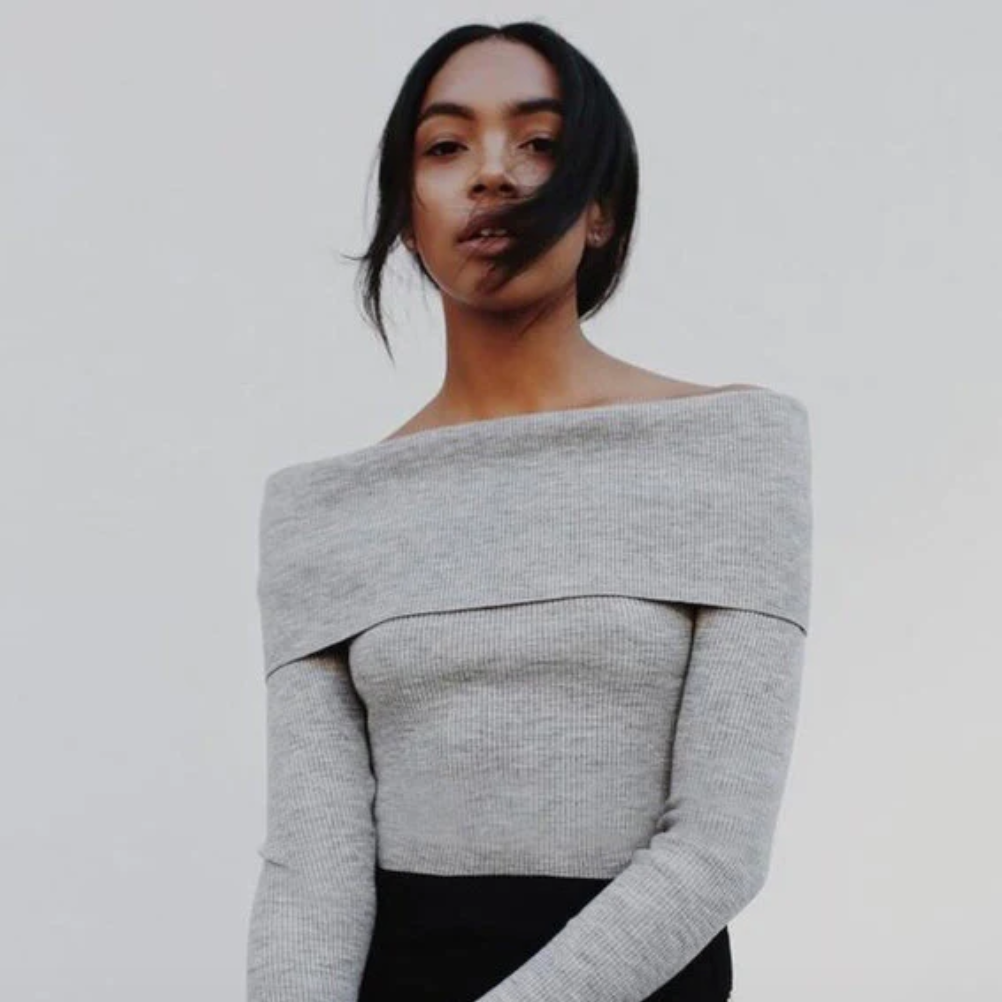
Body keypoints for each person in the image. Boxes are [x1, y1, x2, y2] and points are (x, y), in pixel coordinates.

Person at [246, 21, 812, 1002]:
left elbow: (719, 848)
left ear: (600, 209)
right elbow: (311, 870)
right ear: (406, 213)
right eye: (445, 146)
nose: (492, 174)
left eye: (540, 142)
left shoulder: (728, 447)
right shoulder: (323, 509)